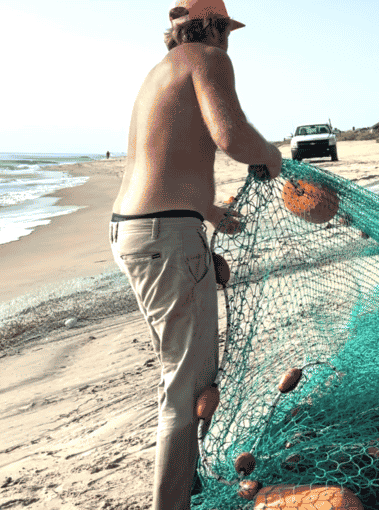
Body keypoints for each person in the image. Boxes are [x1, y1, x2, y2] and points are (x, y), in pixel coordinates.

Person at [109, 1, 282, 508]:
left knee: (187, 373)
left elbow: (160, 155)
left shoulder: (159, 72)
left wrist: (207, 210)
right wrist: (270, 156)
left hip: (133, 230)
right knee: (184, 388)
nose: (229, 40)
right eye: (226, 29)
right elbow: (232, 137)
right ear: (213, 27)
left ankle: (188, 482)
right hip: (165, 238)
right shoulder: (208, 58)